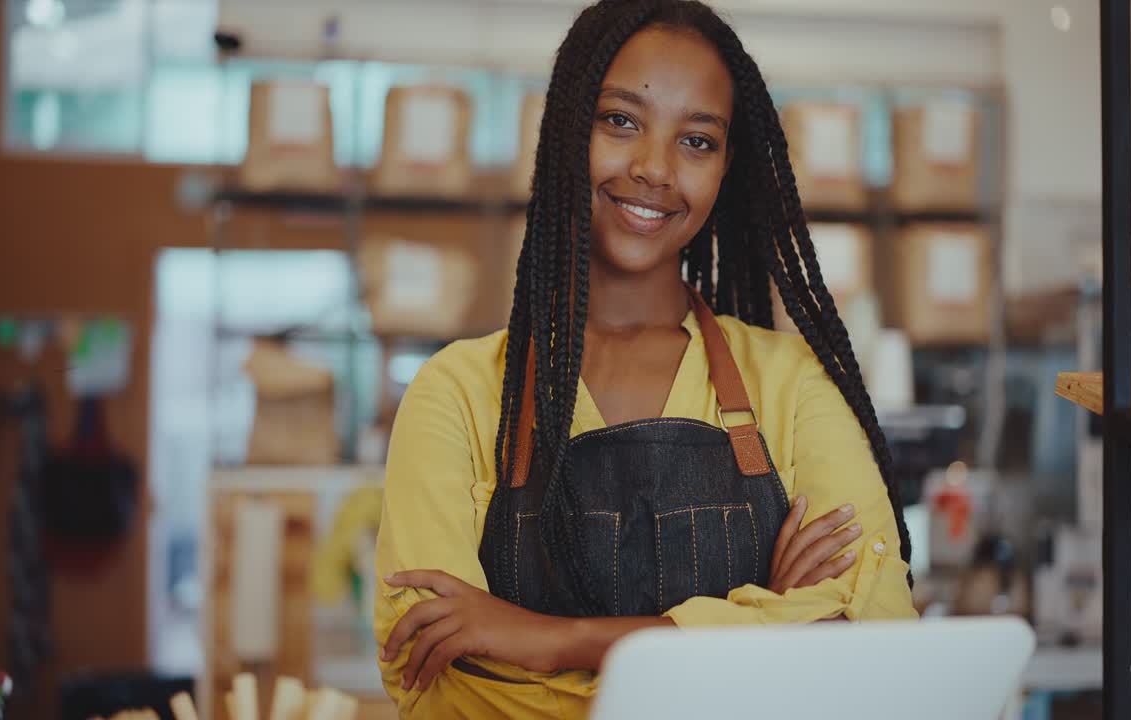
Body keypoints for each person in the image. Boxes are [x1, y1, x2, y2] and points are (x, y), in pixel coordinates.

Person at [374, 1, 917, 717]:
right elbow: (435, 676)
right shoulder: (458, 393)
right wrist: (763, 636)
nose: (655, 168)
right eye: (620, 121)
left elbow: (874, 651)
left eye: (697, 141)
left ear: (725, 169)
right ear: (568, 128)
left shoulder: (794, 384)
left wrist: (551, 641)